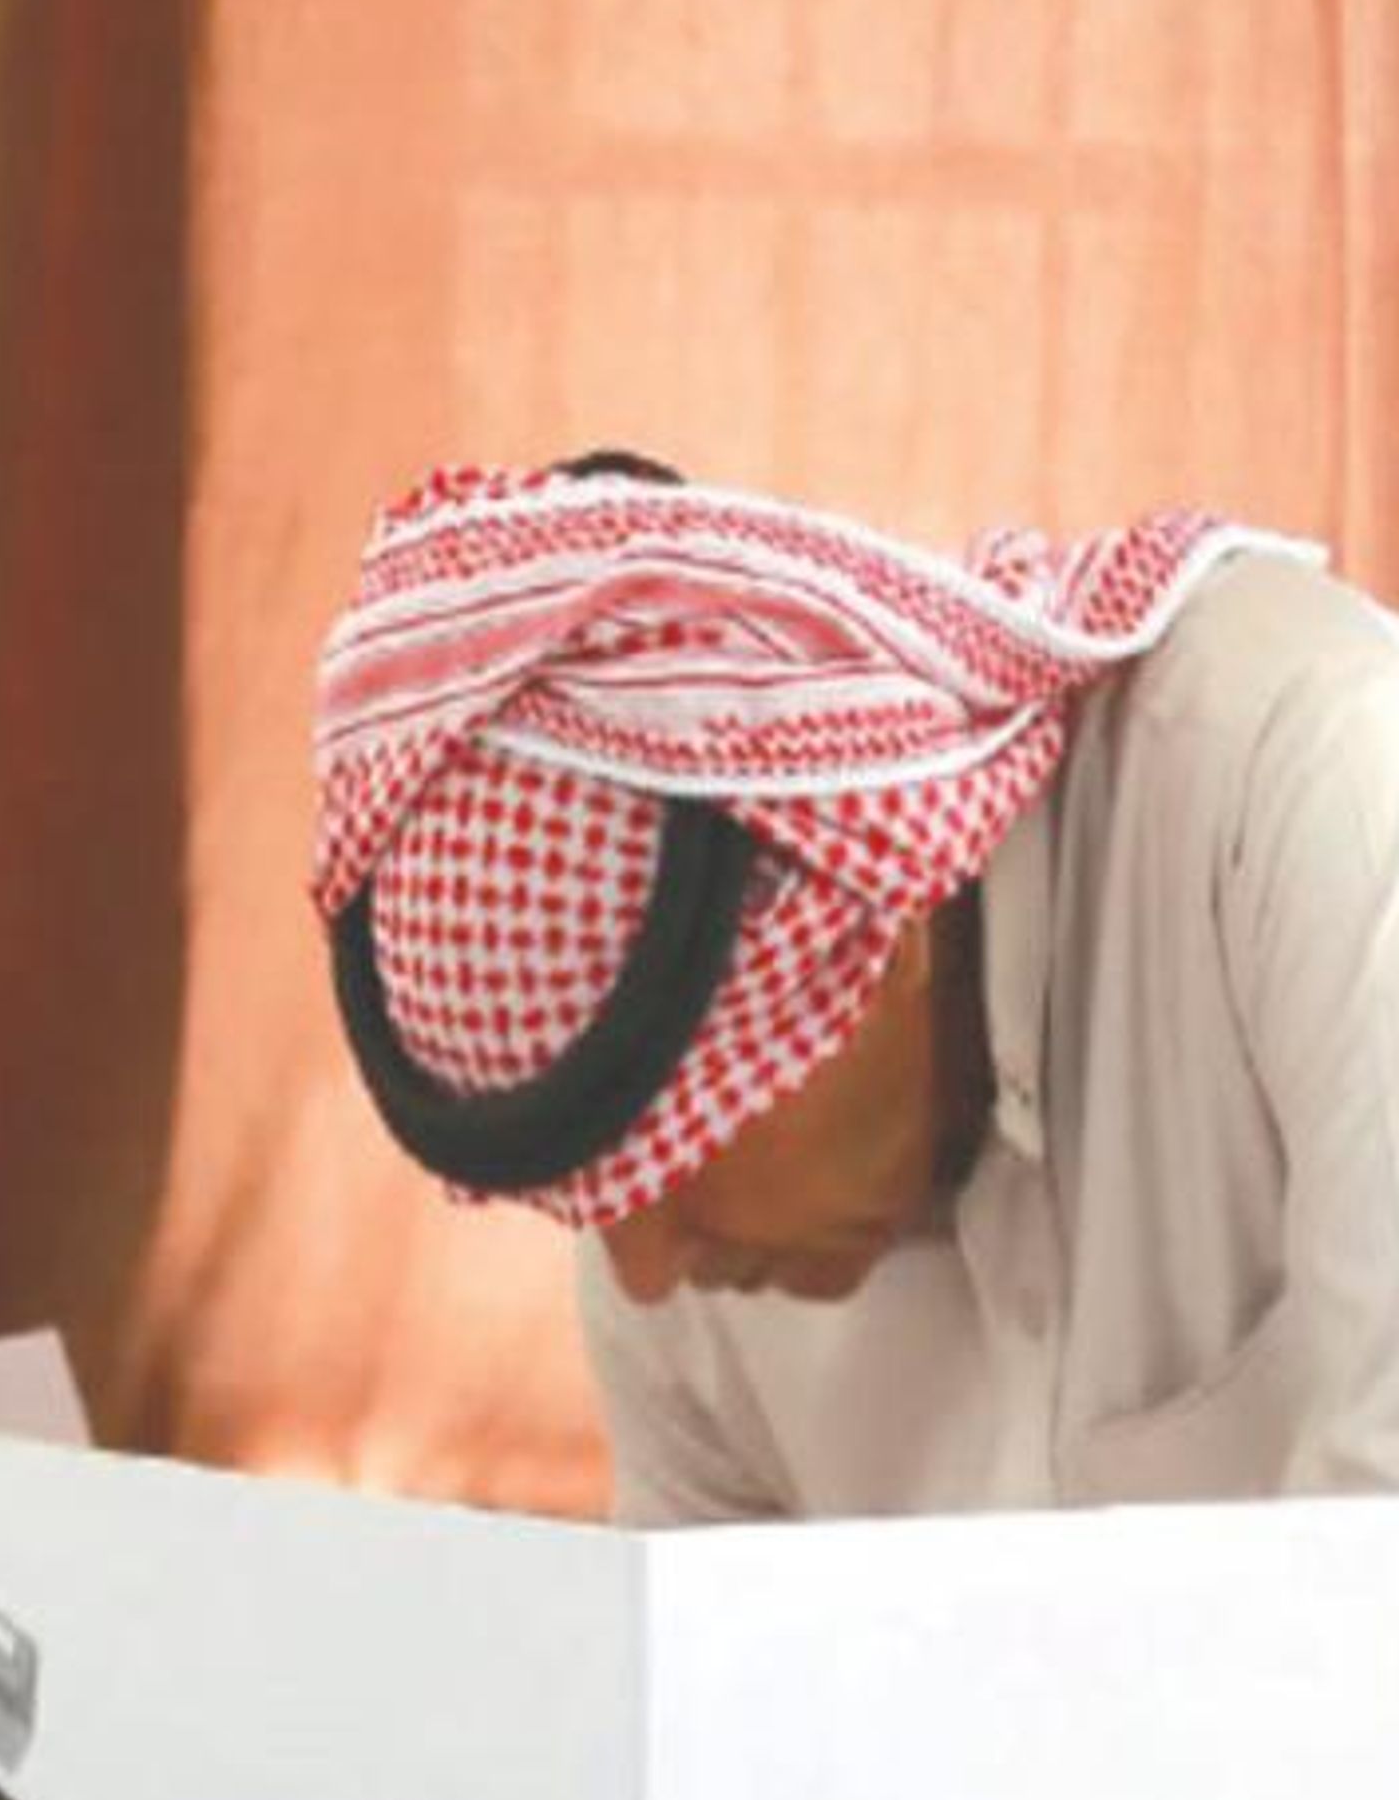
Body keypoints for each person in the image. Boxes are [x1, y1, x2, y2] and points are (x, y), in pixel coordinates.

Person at [309, 453, 1399, 1522]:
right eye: (592, 1186)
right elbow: (708, 1650)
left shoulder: (1308, 787)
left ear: (876, 915)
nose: (642, 1270)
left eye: (667, 1146)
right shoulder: (682, 1283)